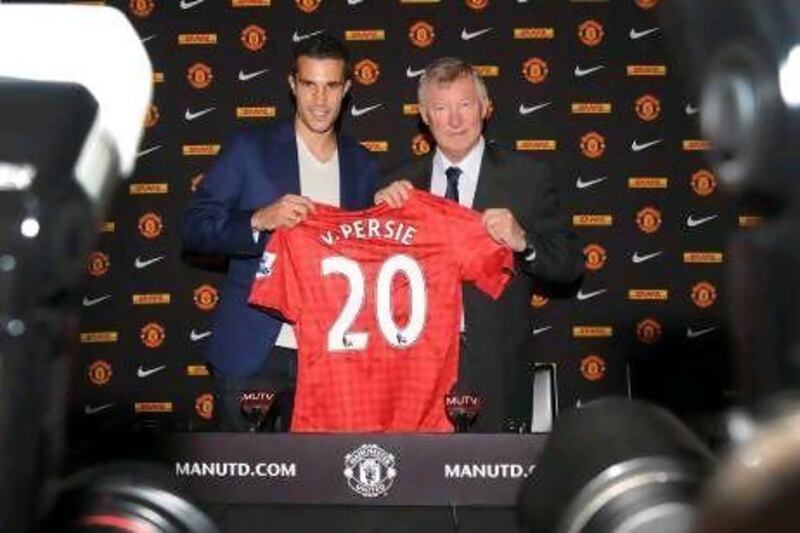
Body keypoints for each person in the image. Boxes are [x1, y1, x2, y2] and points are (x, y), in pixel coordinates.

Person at [180, 32, 379, 432]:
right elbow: (194, 228)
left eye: (330, 86)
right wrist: (256, 220)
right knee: (239, 489)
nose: (320, 101)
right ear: (292, 84)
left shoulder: (362, 166)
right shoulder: (249, 149)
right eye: (309, 85)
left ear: (347, 89)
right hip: (254, 351)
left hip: (331, 357)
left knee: (316, 490)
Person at [376, 56, 583, 432]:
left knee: (494, 488)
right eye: (441, 108)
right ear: (424, 115)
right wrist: (377, 221)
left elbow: (569, 265)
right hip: (414, 368)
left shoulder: (528, 178)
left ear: (485, 109)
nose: (455, 120)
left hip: (496, 369)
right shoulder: (397, 185)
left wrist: (524, 241)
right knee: (419, 486)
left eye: (465, 105)